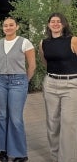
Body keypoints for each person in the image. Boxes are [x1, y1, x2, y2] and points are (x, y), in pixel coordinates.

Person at [0, 17, 36, 162]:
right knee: (2, 115)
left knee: (16, 118)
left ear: (17, 27)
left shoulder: (24, 42)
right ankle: (3, 149)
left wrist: (24, 81)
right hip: (0, 81)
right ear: (2, 28)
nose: (8, 27)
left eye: (11, 25)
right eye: (5, 25)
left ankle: (19, 153)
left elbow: (32, 66)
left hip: (18, 82)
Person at [39, 12, 77, 162]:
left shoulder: (73, 40)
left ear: (64, 24)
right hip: (51, 84)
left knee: (68, 123)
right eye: (52, 21)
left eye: (58, 21)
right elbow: (45, 62)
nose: (55, 24)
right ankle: (55, 157)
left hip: (71, 85)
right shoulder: (43, 43)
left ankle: (67, 159)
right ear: (48, 25)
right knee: (52, 123)